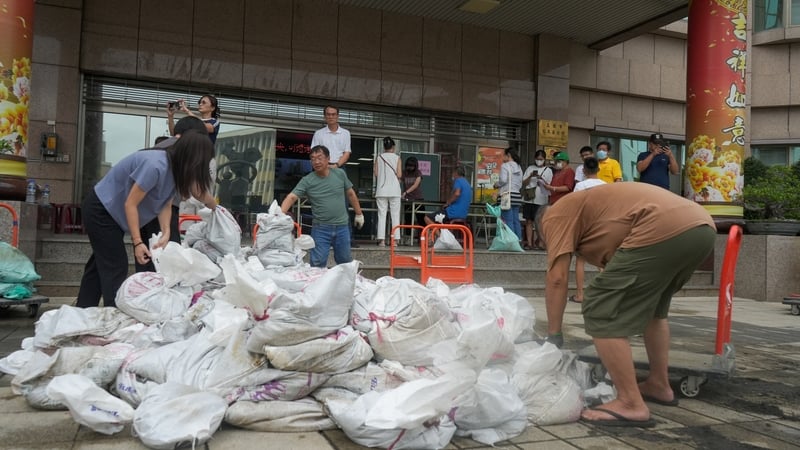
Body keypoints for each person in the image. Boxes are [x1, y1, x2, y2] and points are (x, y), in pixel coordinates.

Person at [539, 183, 715, 427]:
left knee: (599, 305)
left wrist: (554, 335)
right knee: (654, 311)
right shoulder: (590, 211)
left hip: (662, 227)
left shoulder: (554, 215)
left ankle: (630, 403)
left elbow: (557, 279)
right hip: (700, 227)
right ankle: (659, 384)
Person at [77, 130, 218, 308]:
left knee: (101, 263)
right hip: (102, 209)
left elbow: (165, 202)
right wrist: (137, 242)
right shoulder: (156, 165)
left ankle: (83, 309)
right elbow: (131, 204)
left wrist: (166, 232)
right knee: (115, 264)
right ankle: (116, 315)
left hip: (113, 213)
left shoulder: (175, 171)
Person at [136, 116, 208, 273]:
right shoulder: (178, 149)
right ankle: (161, 292)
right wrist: (215, 207)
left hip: (143, 210)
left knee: (147, 257)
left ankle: (145, 289)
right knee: (168, 255)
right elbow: (195, 188)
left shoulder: (159, 147)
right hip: (161, 208)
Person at [280, 145, 364, 268]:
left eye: (320, 158)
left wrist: (359, 213)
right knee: (318, 263)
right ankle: (317, 286)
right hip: (321, 228)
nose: (316, 162)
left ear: (328, 158)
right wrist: (280, 214)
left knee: (345, 262)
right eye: (313, 159)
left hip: (342, 227)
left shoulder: (339, 174)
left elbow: (351, 193)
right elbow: (291, 197)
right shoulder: (308, 180)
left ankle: (345, 286)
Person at [311, 105, 358, 246]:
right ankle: (322, 239)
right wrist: (323, 165)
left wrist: (336, 166)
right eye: (328, 114)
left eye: (333, 114)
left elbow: (347, 153)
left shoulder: (345, 133)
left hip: (339, 168)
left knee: (343, 204)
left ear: (338, 116)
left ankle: (348, 239)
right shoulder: (319, 134)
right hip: (321, 170)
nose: (331, 116)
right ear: (325, 116)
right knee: (322, 203)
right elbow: (314, 154)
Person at [569, 156, 606, 304]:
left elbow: (574, 206)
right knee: (601, 260)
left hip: (585, 224)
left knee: (580, 260)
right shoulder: (605, 185)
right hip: (601, 223)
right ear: (598, 169)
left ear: (584, 170)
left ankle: (580, 294)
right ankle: (605, 293)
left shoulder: (580, 186)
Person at [374, 136, 402, 247]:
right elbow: (399, 174)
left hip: (381, 190)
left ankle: (381, 240)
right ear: (393, 147)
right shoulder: (397, 158)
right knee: (395, 215)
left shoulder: (379, 157)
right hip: (394, 190)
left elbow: (376, 173)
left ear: (384, 147)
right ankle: (395, 240)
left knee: (382, 215)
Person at [522, 150, 552, 250]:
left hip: (541, 199)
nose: (539, 161)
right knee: (529, 221)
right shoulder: (530, 168)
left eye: (541, 159)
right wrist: (530, 176)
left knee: (539, 222)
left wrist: (541, 179)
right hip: (529, 199)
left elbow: (550, 185)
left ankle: (540, 242)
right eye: (537, 159)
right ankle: (530, 243)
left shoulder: (548, 170)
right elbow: (524, 183)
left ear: (544, 159)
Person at [495, 147, 523, 241]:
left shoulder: (505, 166)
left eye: (504, 155)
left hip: (506, 196)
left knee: (507, 219)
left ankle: (510, 240)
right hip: (517, 196)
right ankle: (518, 239)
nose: (503, 157)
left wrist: (496, 185)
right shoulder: (519, 167)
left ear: (509, 155)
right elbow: (520, 183)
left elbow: (503, 180)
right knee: (516, 220)